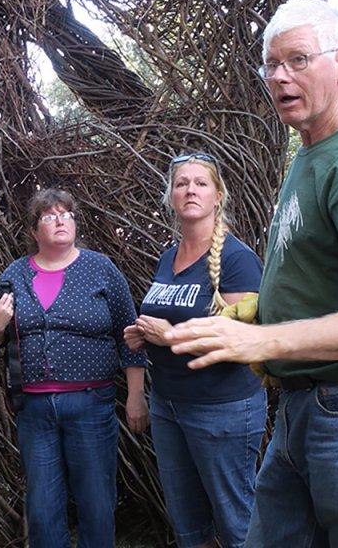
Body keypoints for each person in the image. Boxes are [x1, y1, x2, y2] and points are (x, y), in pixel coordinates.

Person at [166, 0, 338, 547]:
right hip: (305, 405)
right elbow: (326, 279)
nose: (280, 76)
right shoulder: (311, 155)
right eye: (271, 64)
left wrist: (263, 339)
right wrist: (264, 310)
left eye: (297, 60)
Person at [0, 188, 148, 548]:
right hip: (35, 410)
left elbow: (130, 335)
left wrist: (136, 394)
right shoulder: (15, 273)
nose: (60, 220)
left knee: (96, 504)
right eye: (49, 215)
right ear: (33, 231)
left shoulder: (100, 268)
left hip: (90, 405)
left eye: (67, 214)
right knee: (42, 511)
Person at [124, 153, 265, 548]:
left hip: (222, 409)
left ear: (218, 196)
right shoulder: (168, 257)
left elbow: (242, 338)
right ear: (170, 196)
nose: (190, 190)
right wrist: (142, 333)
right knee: (189, 525)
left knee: (239, 524)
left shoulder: (238, 260)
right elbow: (165, 317)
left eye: (201, 183)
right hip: (168, 405)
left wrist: (170, 337)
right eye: (181, 183)